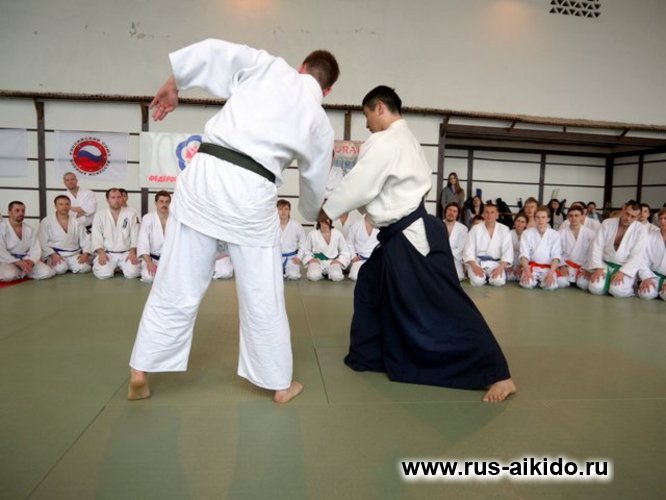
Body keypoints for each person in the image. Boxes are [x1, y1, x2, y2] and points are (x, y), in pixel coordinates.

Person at [128, 39, 339, 404]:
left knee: (176, 281)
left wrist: (175, 82)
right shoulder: (320, 123)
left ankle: (140, 371)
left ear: (302, 67)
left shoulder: (269, 66)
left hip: (206, 172)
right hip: (253, 190)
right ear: (328, 90)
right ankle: (279, 384)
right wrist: (308, 212)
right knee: (262, 294)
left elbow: (213, 51)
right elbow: (314, 181)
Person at [322, 86, 515, 402]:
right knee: (369, 285)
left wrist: (328, 210)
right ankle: (370, 355)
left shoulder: (387, 141)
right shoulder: (407, 139)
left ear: (380, 107)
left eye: (367, 116)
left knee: (446, 303)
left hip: (411, 236)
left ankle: (498, 373)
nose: (367, 125)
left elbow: (359, 183)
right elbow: (376, 189)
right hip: (405, 232)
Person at [587, 200, 647, 298]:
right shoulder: (607, 223)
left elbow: (637, 255)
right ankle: (606, 284)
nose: (628, 218)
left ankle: (630, 288)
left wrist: (623, 272)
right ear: (623, 209)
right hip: (605, 264)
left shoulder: (641, 230)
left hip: (624, 266)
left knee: (617, 291)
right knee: (595, 289)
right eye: (627, 214)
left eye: (633, 216)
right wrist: (598, 268)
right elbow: (597, 246)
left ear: (638, 217)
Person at [91, 188, 141, 279]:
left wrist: (133, 252)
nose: (116, 200)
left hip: (126, 253)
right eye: (113, 197)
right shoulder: (100, 215)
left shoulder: (131, 214)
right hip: (107, 253)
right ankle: (114, 267)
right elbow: (96, 237)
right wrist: (101, 253)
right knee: (103, 274)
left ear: (122, 198)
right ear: (107, 200)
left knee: (133, 273)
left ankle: (120, 267)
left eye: (119, 197)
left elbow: (135, 235)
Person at [0, 201, 56, 281]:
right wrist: (17, 262)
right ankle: (22, 271)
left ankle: (23, 271)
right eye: (17, 210)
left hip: (26, 259)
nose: (21, 213)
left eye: (23, 211)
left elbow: (35, 249)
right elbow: (1, 251)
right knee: (9, 276)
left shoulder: (29, 229)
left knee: (47, 272)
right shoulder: (2, 228)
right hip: (9, 261)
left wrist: (31, 261)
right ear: (9, 212)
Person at [39, 195, 92, 275]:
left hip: (73, 254)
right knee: (60, 269)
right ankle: (58, 264)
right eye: (61, 204)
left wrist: (85, 253)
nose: (64, 207)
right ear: (55, 206)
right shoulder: (47, 221)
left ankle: (69, 266)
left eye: (67, 204)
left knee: (84, 268)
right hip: (56, 254)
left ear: (70, 206)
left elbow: (85, 239)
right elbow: (42, 241)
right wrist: (53, 255)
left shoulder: (76, 222)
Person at [462, 203, 512, 287]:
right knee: (477, 282)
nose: (489, 215)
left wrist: (500, 268)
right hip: (478, 262)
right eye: (487, 212)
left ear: (497, 215)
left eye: (492, 212)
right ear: (483, 214)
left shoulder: (504, 229)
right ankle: (484, 278)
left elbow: (508, 251)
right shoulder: (475, 229)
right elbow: (468, 250)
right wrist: (474, 267)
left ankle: (489, 277)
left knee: (498, 282)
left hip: (496, 263)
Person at [519, 206, 561, 290]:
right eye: (538, 217)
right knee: (527, 284)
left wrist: (551, 274)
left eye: (543, 217)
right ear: (534, 219)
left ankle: (542, 280)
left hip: (548, 269)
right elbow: (524, 255)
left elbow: (556, 257)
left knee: (550, 286)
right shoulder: (526, 233)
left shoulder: (555, 234)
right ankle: (534, 280)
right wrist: (527, 272)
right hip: (531, 267)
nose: (540, 220)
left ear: (548, 219)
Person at [556, 205, 595, 289]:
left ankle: (576, 280)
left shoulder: (590, 233)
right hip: (566, 266)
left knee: (584, 284)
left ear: (582, 216)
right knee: (561, 283)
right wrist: (562, 266)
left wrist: (587, 269)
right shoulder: (560, 233)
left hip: (583, 267)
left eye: (576, 215)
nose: (573, 218)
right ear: (567, 217)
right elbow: (557, 251)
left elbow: (593, 253)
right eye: (571, 216)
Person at [303, 213, 351, 281]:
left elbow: (345, 251)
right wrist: (311, 259)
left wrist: (339, 261)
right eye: (322, 220)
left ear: (330, 221)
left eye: (327, 220)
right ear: (319, 221)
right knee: (313, 276)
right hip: (317, 261)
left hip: (332, 262)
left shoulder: (337, 234)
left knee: (337, 277)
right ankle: (318, 272)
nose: (325, 222)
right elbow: (306, 250)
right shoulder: (312, 234)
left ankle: (331, 272)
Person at [137, 191, 171, 283]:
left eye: (167, 202)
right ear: (156, 203)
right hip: (153, 259)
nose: (164, 204)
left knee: (176, 279)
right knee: (148, 277)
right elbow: (143, 242)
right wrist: (149, 263)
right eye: (161, 201)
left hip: (170, 258)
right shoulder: (148, 218)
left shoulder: (174, 219)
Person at [637, 208, 666, 300]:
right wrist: (646, 277)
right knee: (645, 293)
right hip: (653, 276)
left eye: (665, 218)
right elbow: (642, 260)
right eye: (660, 218)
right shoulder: (650, 237)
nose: (662, 221)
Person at [277, 199, 306, 280]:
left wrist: (299, 257)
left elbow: (303, 243)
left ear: (289, 211)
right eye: (280, 209)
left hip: (291, 258)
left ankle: (287, 271)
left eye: (286, 209)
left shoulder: (296, 225)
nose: (283, 212)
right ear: (277, 211)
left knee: (293, 276)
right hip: (276, 257)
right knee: (268, 275)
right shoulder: (272, 225)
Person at [346, 213, 379, 281]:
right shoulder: (356, 225)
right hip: (360, 259)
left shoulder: (381, 225)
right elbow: (349, 242)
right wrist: (353, 256)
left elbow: (385, 242)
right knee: (354, 276)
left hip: (376, 259)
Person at [442, 202, 468, 281]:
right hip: (439, 257)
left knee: (456, 278)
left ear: (457, 214)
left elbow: (460, 248)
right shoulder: (437, 224)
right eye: (449, 210)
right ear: (445, 212)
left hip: (454, 259)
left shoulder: (463, 228)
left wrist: (447, 254)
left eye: (454, 211)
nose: (451, 213)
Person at [506, 213, 527, 282]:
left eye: (522, 222)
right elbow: (505, 251)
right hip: (509, 261)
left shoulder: (528, 235)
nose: (519, 224)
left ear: (526, 224)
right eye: (518, 221)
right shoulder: (509, 233)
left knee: (522, 279)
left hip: (523, 263)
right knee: (509, 277)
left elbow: (528, 253)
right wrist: (509, 266)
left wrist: (522, 266)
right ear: (514, 222)